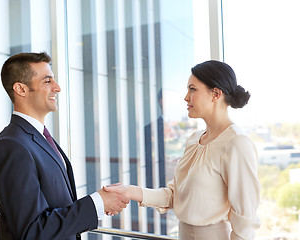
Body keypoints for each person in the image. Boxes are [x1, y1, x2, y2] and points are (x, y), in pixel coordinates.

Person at [104, 60, 261, 240]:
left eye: (192, 89)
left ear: (216, 94)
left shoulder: (237, 143)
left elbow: (245, 218)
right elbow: (174, 195)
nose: (186, 97)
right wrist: (129, 191)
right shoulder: (194, 139)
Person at [0, 52, 129, 240]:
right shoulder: (11, 146)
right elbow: (32, 231)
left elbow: (56, 205)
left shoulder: (38, 137)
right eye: (47, 81)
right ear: (20, 89)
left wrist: (101, 204)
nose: (58, 88)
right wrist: (97, 204)